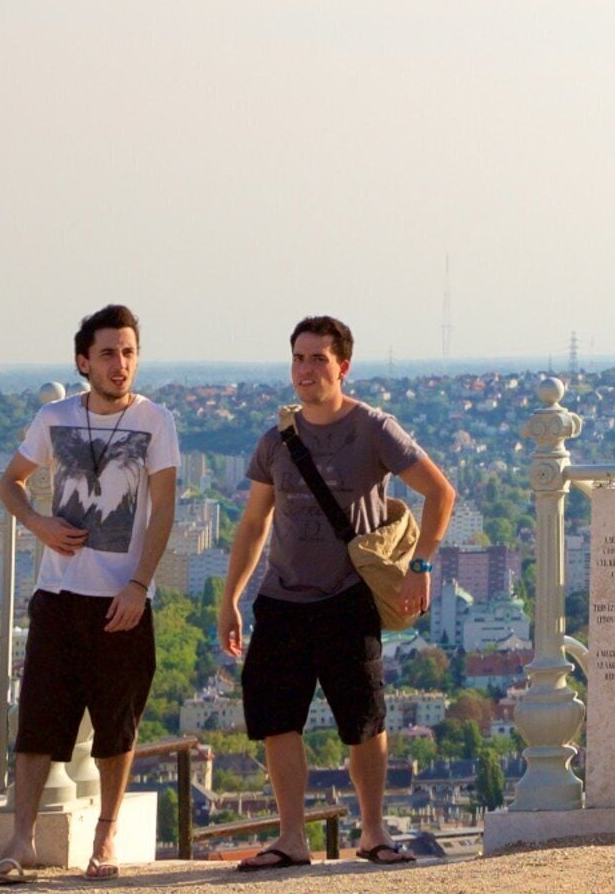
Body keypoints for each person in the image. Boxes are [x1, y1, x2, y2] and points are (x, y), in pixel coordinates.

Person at [218, 316, 456, 870]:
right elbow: (254, 523)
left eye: (318, 359)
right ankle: (292, 837)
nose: (305, 370)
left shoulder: (375, 429)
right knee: (278, 720)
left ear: (342, 366)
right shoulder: (276, 440)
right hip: (282, 598)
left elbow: (440, 493)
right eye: (298, 359)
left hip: (348, 597)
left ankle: (373, 832)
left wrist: (421, 564)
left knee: (363, 721)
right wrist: (229, 597)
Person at [0, 305, 180, 884]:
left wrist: (139, 586)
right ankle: (19, 843)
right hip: (58, 596)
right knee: (39, 723)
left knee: (117, 729)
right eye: (109, 353)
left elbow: (165, 508)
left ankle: (105, 840)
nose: (121, 365)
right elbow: (8, 483)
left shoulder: (156, 422)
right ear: (82, 361)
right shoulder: (54, 417)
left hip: (122, 600)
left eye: (129, 352)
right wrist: (38, 524)